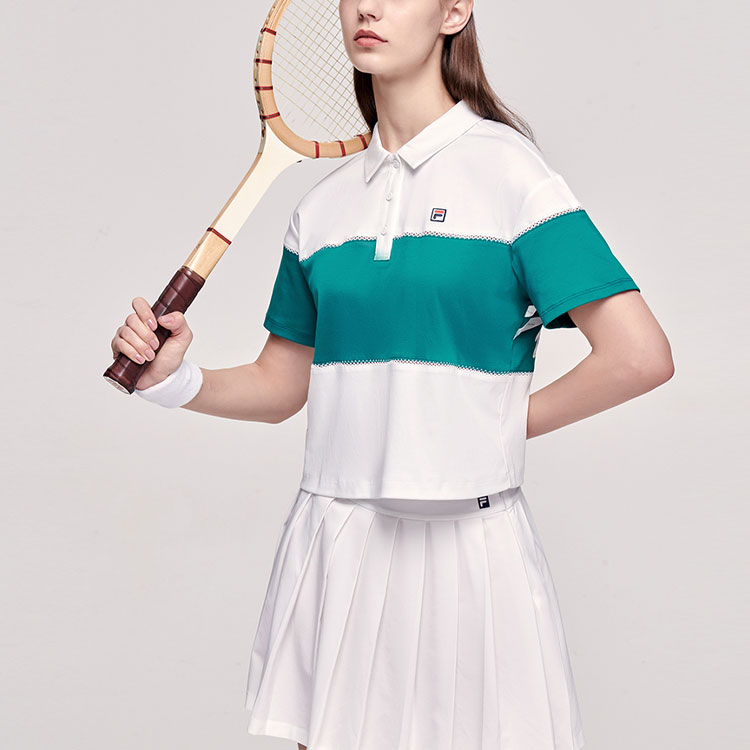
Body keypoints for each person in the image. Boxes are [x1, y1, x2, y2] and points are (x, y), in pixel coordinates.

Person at [110, 1, 674, 748]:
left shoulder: (511, 173)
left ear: (454, 11)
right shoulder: (322, 209)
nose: (368, 8)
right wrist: (175, 381)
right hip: (337, 541)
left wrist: (495, 424)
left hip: (468, 546)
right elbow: (282, 385)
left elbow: (638, 355)